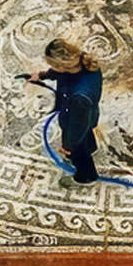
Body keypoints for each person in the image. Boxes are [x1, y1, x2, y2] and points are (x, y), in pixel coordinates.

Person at [30, 38, 102, 187]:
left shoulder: (80, 96)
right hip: (88, 114)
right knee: (87, 132)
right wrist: (42, 75)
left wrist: (68, 146)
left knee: (78, 151)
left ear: (62, 66)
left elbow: (78, 125)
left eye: (52, 65)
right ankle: (91, 147)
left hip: (75, 119)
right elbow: (59, 73)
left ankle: (85, 177)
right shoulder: (83, 62)